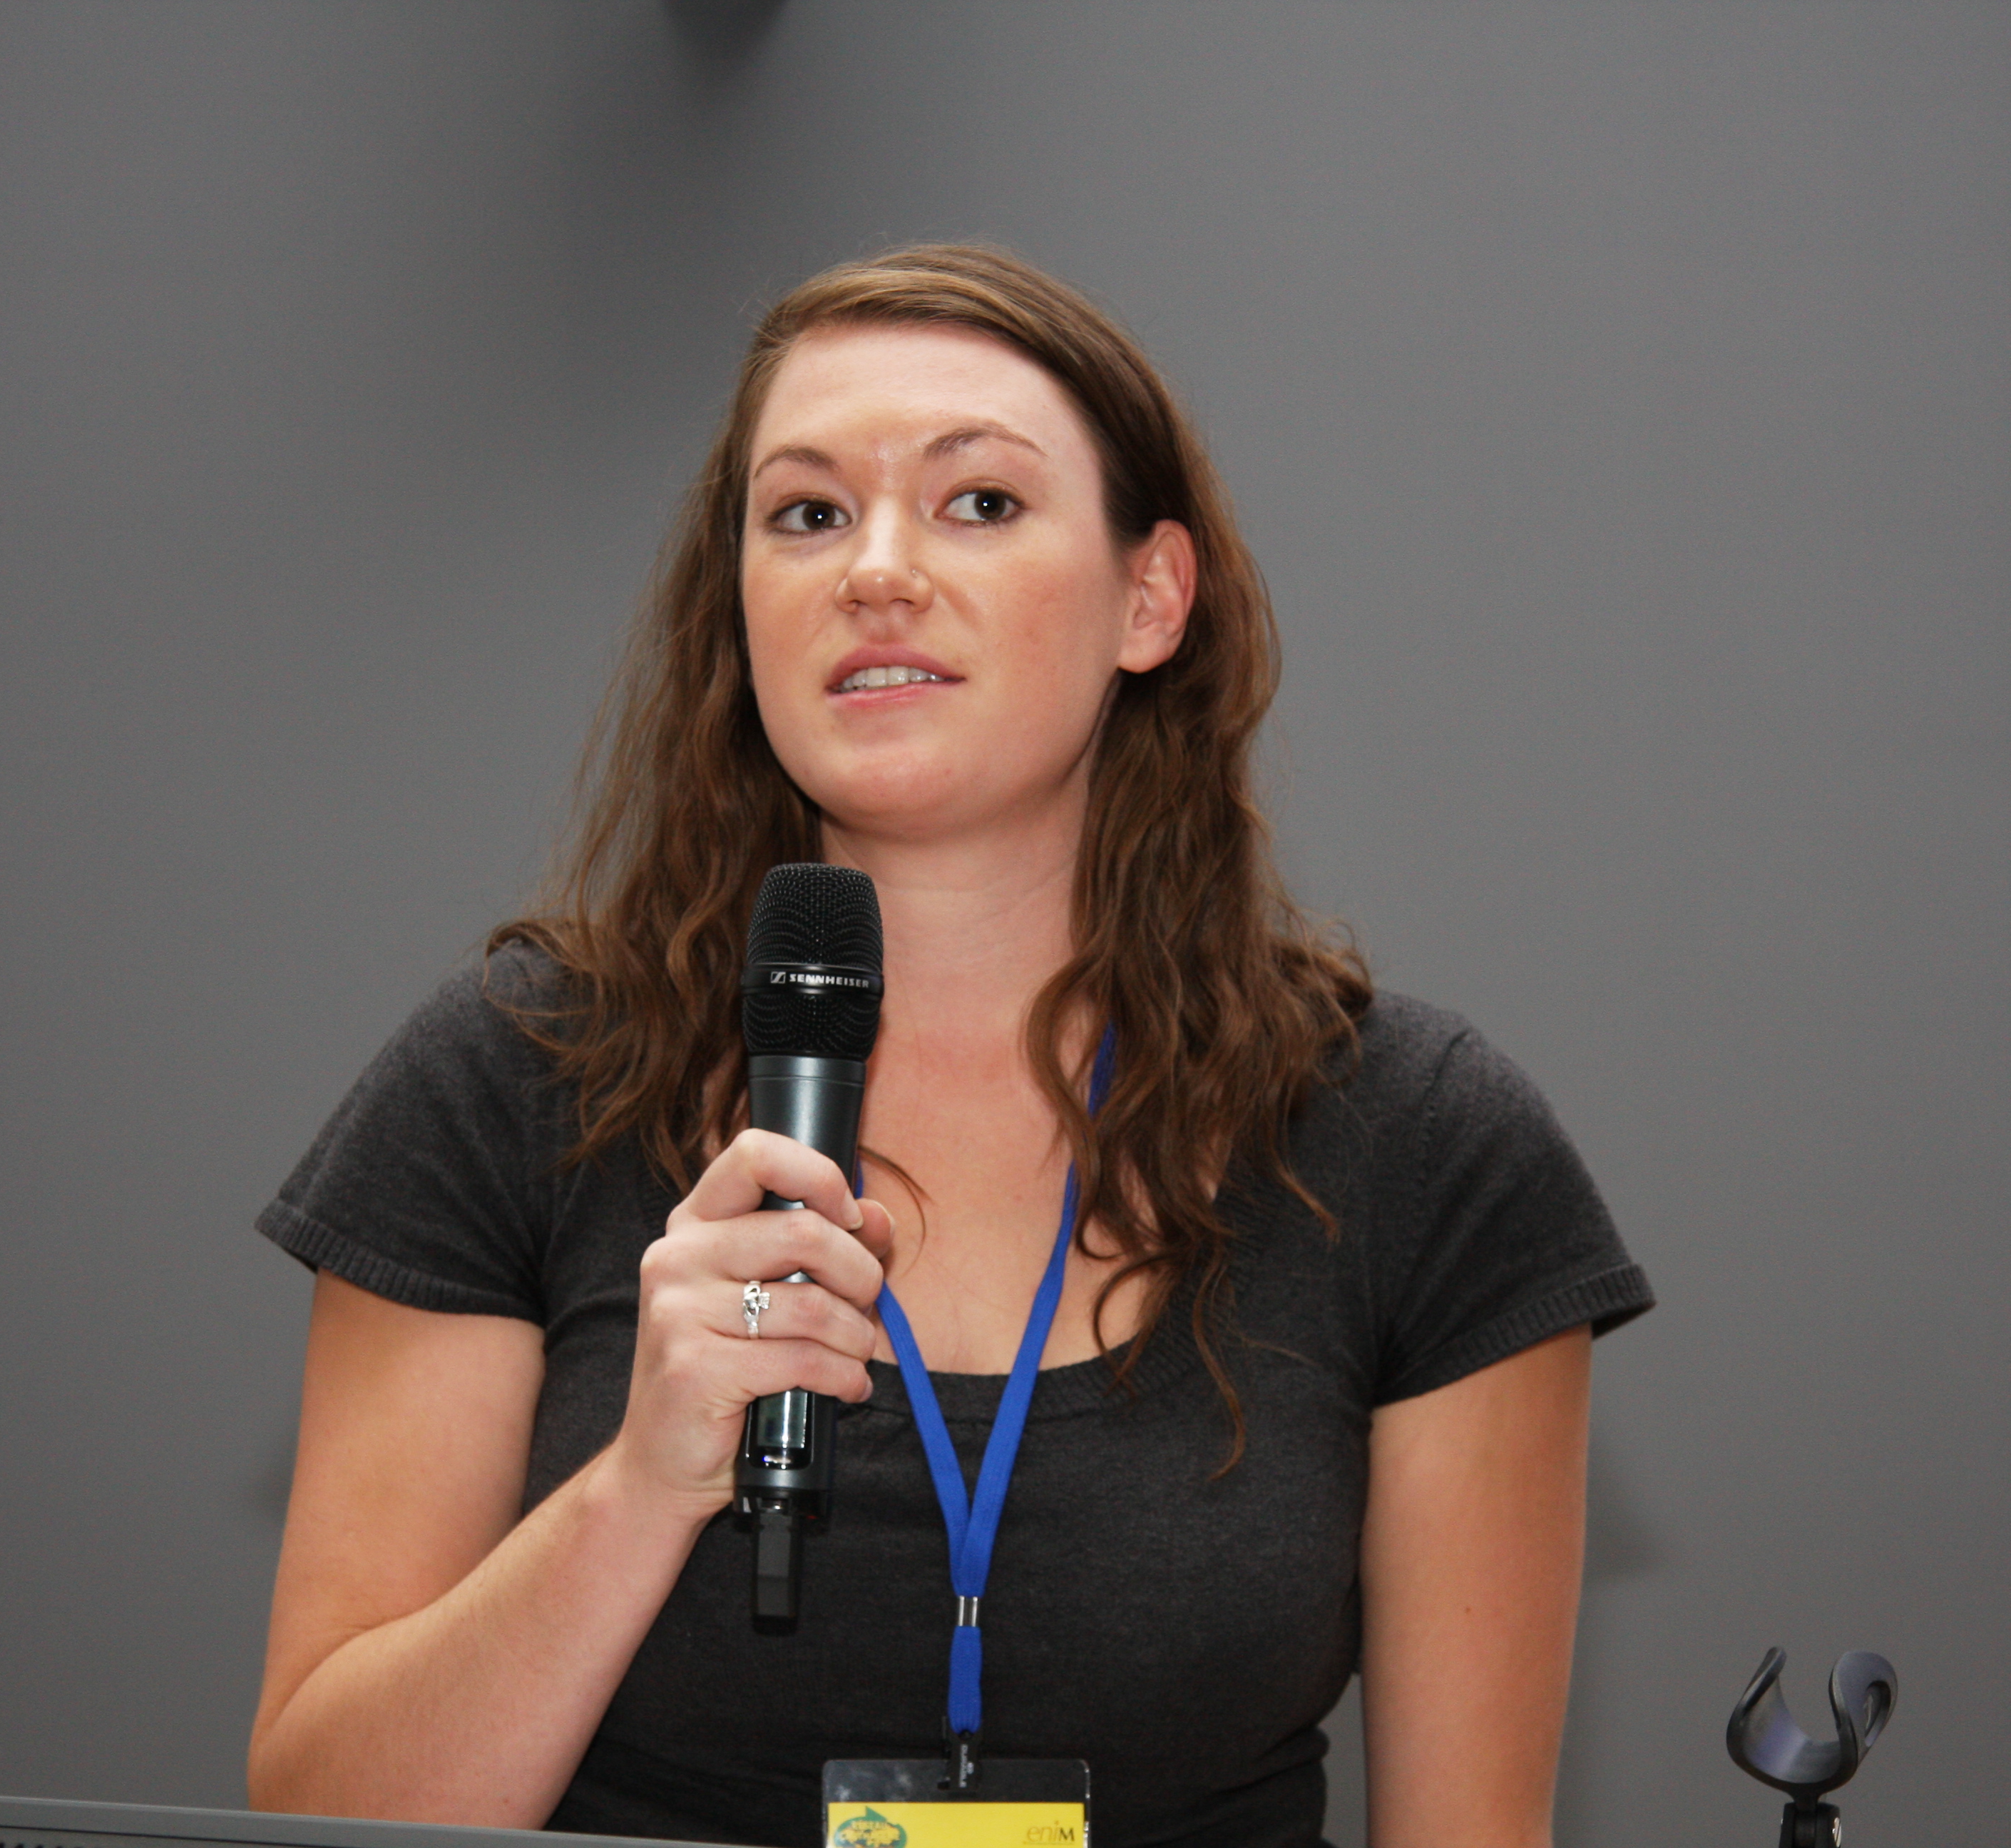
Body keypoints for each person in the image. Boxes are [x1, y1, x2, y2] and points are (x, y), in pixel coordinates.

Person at [245, 244, 1651, 1848]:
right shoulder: (515, 1078)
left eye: (978, 501)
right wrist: (641, 1486)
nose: (876, 571)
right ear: (741, 609)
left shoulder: (1417, 1141)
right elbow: (322, 1815)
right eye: (807, 514)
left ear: (1150, 598)